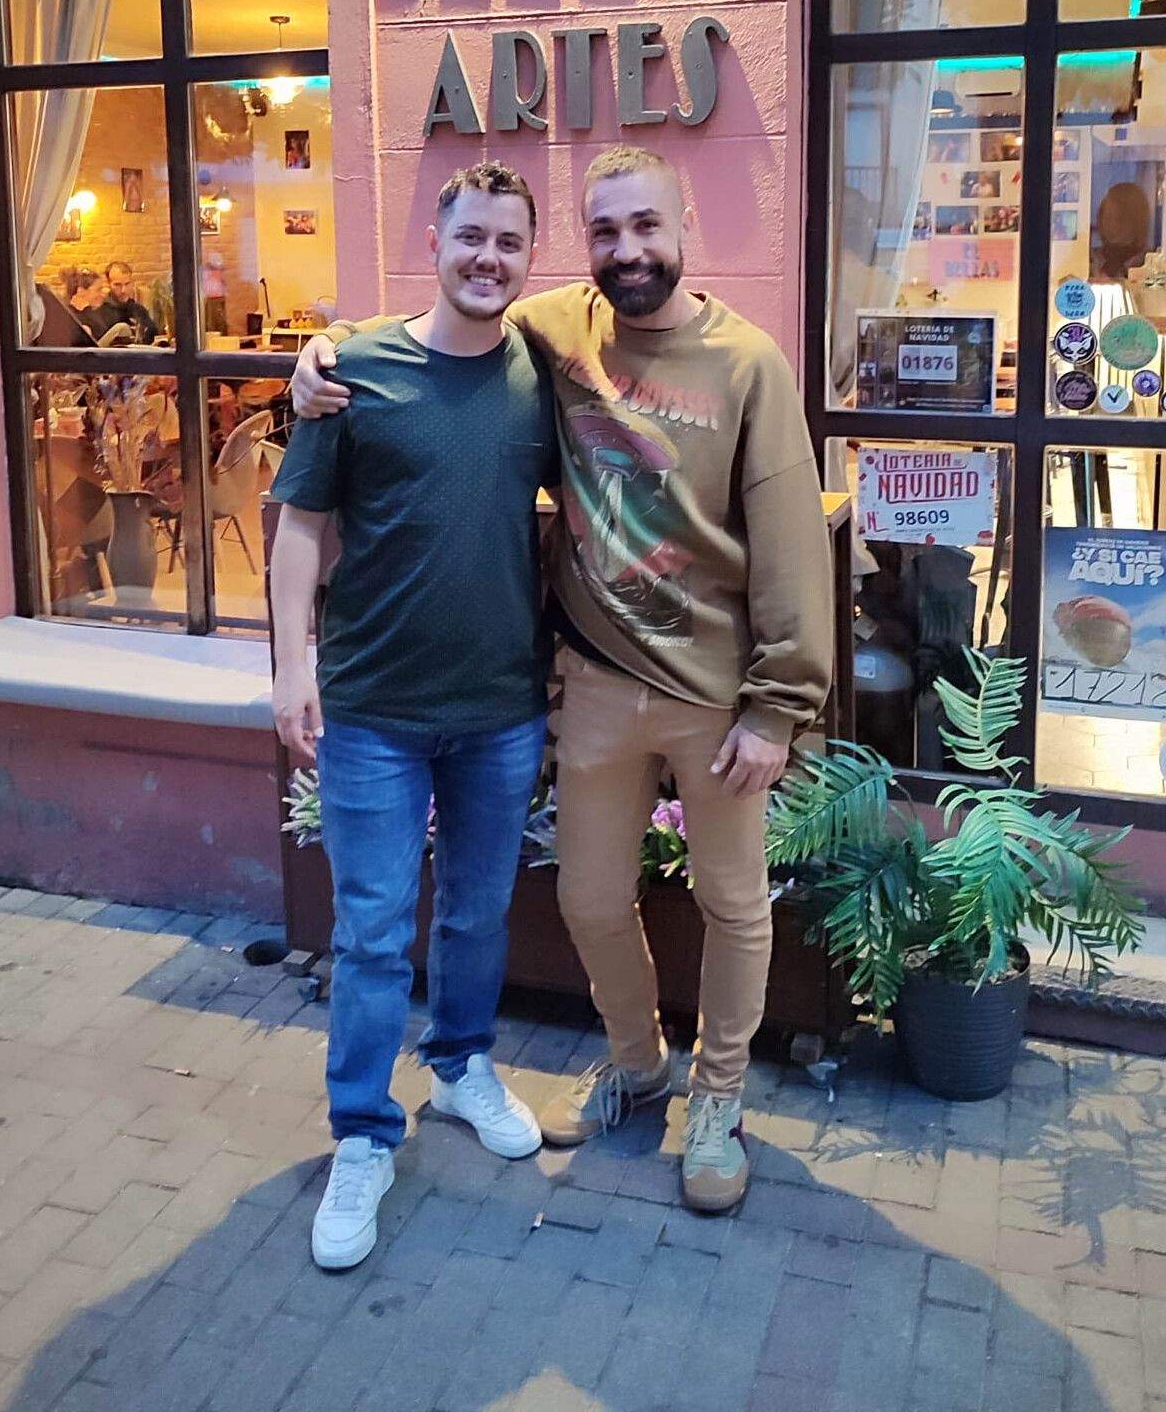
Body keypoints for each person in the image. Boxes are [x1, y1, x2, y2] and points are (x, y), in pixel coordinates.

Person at [292, 144, 833, 1216]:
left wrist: (778, 706)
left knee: (732, 902)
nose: (628, 250)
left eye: (646, 225)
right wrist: (324, 351)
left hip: (716, 696)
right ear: (582, 243)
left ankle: (719, 1099)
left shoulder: (748, 363)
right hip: (594, 681)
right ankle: (638, 1064)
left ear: (685, 227)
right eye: (605, 230)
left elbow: (791, 547)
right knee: (587, 899)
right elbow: (447, 316)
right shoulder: (561, 327)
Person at [269, 161, 558, 1272]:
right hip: (375, 710)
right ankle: (362, 1132)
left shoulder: (542, 375)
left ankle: (462, 1064)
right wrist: (290, 667)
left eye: (508, 242)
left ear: (529, 256)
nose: (488, 257)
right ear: (434, 244)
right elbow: (299, 526)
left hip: (499, 707)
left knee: (478, 914)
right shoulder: (353, 371)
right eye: (470, 236)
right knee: (374, 931)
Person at [100, 261, 158, 343]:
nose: (123, 290)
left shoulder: (138, 310)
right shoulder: (100, 309)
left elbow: (153, 335)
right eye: (117, 285)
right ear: (108, 284)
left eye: (127, 284)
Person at [62, 267, 111, 341]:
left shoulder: (101, 310)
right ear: (81, 291)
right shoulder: (69, 317)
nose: (103, 294)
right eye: (98, 290)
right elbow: (101, 333)